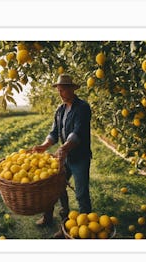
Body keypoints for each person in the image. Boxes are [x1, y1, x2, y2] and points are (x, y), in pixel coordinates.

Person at [33, 74, 92, 238]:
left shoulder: (82, 107)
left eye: (63, 89)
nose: (60, 93)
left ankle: (86, 226)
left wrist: (64, 148)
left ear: (73, 89)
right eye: (59, 90)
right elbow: (54, 133)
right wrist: (44, 146)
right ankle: (63, 221)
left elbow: (77, 133)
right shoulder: (60, 110)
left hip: (79, 157)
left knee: (81, 193)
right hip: (65, 157)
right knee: (56, 188)